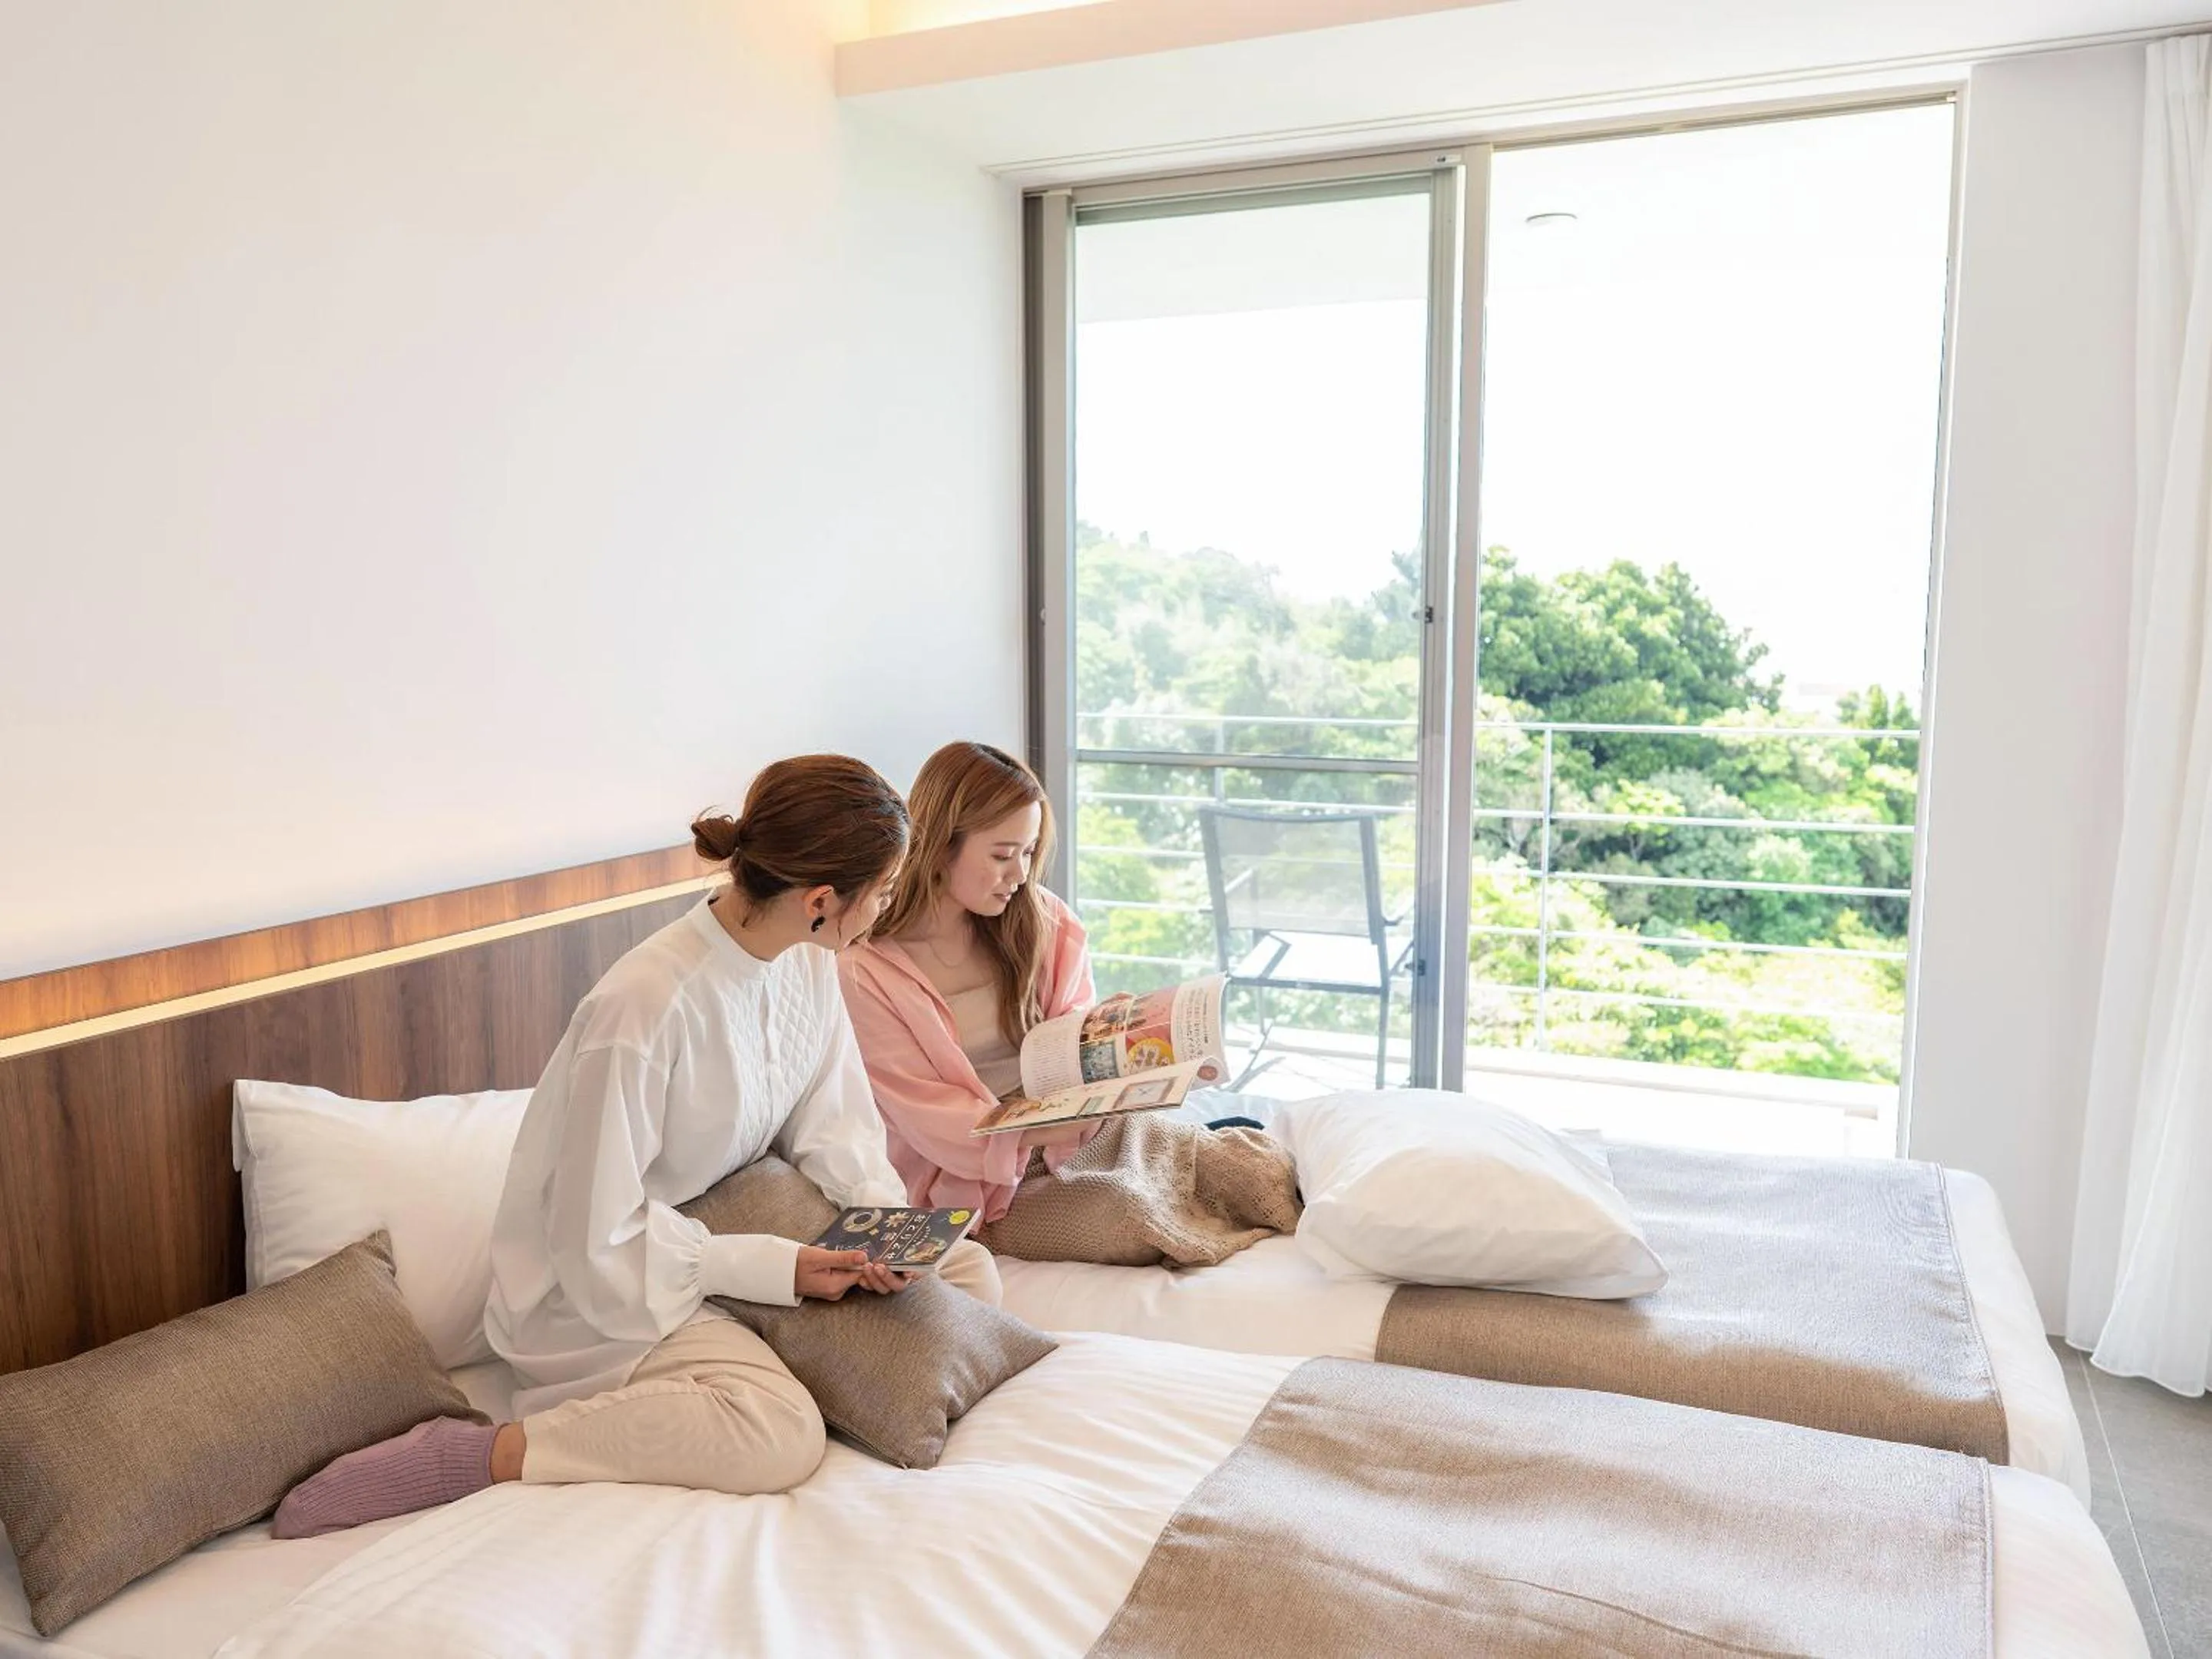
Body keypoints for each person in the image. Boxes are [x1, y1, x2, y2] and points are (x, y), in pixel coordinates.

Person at [271, 754, 996, 1538]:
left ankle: (813, 1356)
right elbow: (595, 1239)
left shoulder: (809, 962)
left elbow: (835, 1127)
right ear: (820, 901)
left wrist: (889, 1229)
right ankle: (482, 1454)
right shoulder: (643, 1009)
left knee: (968, 1272)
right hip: (605, 1289)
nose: (886, 910)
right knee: (777, 1433)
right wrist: (776, 1268)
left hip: (728, 1235)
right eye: (882, 892)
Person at [839, 741, 1096, 1226]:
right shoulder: (865, 971)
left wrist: (1109, 1035)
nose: (1020, 874)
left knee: (1222, 1162)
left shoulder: (1042, 920)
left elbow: (1071, 1030)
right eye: (1002, 855)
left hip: (1072, 1136)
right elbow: (932, 1117)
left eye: (1029, 852)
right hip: (974, 1175)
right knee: (1140, 1213)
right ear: (940, 846)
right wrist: (1045, 1130)